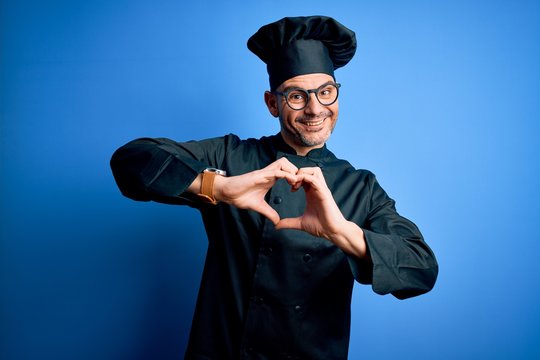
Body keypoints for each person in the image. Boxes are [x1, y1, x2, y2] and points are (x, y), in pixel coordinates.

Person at [110, 16, 438, 360]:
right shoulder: (231, 156)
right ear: (272, 103)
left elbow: (421, 270)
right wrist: (219, 187)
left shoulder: (362, 187)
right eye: (297, 95)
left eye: (326, 92)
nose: (315, 109)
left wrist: (342, 232)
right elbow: (131, 161)